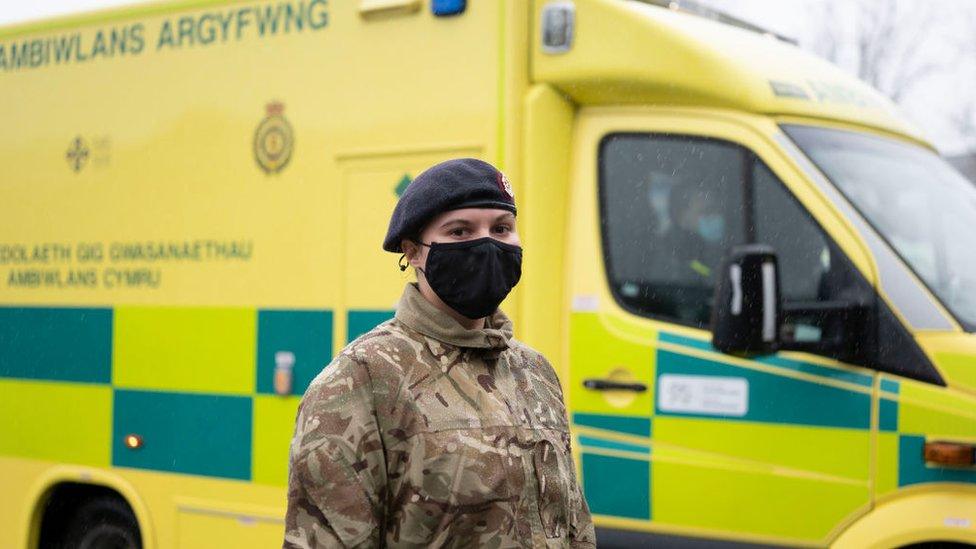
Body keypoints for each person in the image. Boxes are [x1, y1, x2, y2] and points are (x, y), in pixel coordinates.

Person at [283, 158, 595, 548]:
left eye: (501, 228)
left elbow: (573, 526)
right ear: (413, 252)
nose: (487, 244)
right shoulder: (361, 379)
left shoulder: (535, 372)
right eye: (460, 231)